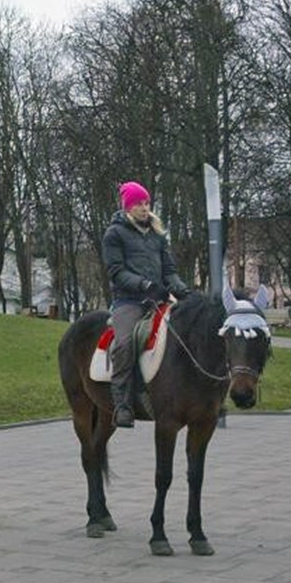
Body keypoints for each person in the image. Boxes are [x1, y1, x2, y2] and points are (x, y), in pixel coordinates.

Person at [100, 181, 190, 428]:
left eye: (147, 202)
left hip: (160, 299)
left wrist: (180, 288)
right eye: (139, 203)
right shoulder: (114, 234)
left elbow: (169, 270)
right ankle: (122, 405)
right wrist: (143, 285)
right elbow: (116, 272)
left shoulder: (157, 235)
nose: (144, 207)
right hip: (129, 301)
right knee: (125, 343)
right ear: (128, 206)